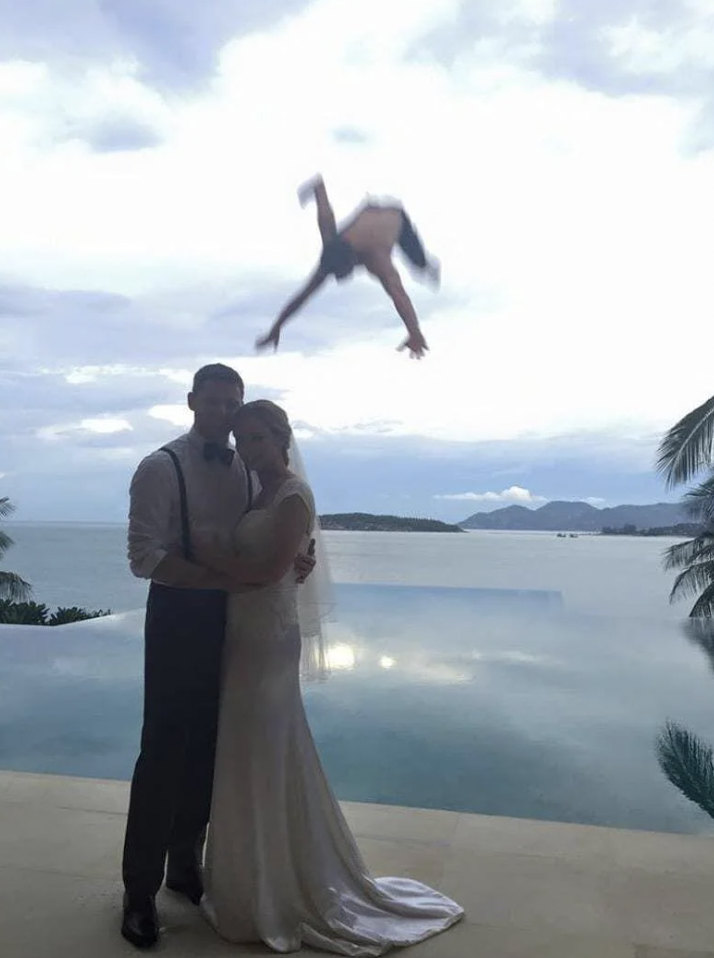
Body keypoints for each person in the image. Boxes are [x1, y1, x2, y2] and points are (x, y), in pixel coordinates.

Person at [196, 400, 464, 955]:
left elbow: (271, 571)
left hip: (267, 639)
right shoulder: (258, 493)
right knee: (246, 753)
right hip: (241, 636)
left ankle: (282, 887)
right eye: (242, 440)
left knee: (265, 750)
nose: (249, 449)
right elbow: (275, 564)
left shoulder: (293, 495)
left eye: (258, 439)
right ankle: (250, 879)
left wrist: (203, 567)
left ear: (282, 438)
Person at [120, 364, 316, 950]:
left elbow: (270, 539)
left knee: (211, 747)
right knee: (163, 751)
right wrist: (223, 581)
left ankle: (186, 866)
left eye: (234, 404)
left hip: (238, 623)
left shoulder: (249, 470)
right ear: (191, 402)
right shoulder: (161, 467)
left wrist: (287, 566)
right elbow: (143, 557)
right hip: (181, 616)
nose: (226, 415)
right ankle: (138, 894)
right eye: (214, 402)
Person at [256, 175, 440, 360]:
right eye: (335, 275)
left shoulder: (377, 258)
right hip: (370, 208)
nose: (336, 279)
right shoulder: (330, 240)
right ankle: (425, 267)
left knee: (419, 265)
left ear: (354, 260)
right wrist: (276, 327)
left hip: (397, 217)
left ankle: (429, 267)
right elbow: (301, 297)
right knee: (326, 219)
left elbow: (399, 295)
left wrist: (414, 332)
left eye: (343, 273)